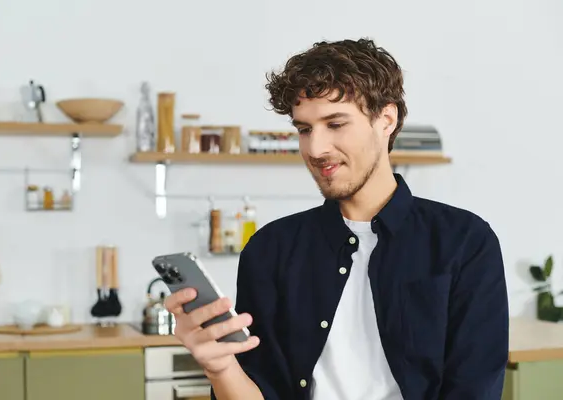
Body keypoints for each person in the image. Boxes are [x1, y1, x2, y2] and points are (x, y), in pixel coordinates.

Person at [164, 38, 509, 400]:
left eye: (336, 123)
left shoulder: (465, 242)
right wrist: (221, 368)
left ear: (386, 120)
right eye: (304, 129)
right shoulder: (270, 249)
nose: (316, 148)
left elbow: (474, 390)